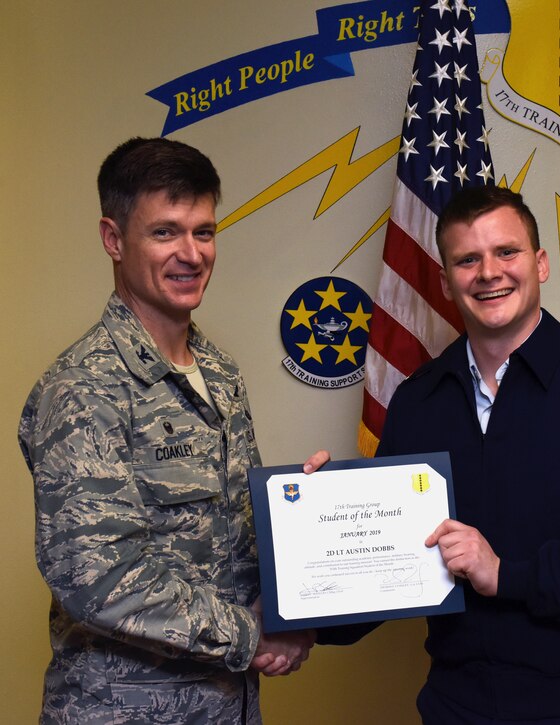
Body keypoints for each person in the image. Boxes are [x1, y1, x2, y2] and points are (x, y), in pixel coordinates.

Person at [320, 186, 560, 723]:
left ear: (539, 263)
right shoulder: (418, 401)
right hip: (457, 706)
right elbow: (388, 563)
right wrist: (318, 537)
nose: (489, 273)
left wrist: (508, 575)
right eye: (467, 260)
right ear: (446, 281)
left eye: (506, 252)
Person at [19, 137, 325, 724]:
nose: (191, 254)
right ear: (113, 239)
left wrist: (313, 519)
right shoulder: (84, 388)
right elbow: (95, 574)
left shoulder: (220, 372)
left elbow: (233, 542)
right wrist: (251, 635)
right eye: (165, 232)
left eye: (203, 232)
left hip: (226, 707)